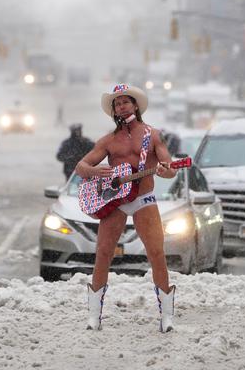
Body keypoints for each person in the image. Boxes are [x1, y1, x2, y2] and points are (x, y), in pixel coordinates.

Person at [75, 84, 178, 333]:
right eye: (117, 103)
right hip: (116, 201)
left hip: (143, 198)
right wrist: (92, 170)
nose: (121, 106)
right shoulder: (109, 140)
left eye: (125, 102)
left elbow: (170, 166)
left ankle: (166, 317)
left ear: (135, 105)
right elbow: (81, 165)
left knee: (156, 253)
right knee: (103, 253)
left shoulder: (153, 135)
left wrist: (167, 170)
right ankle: (93, 316)